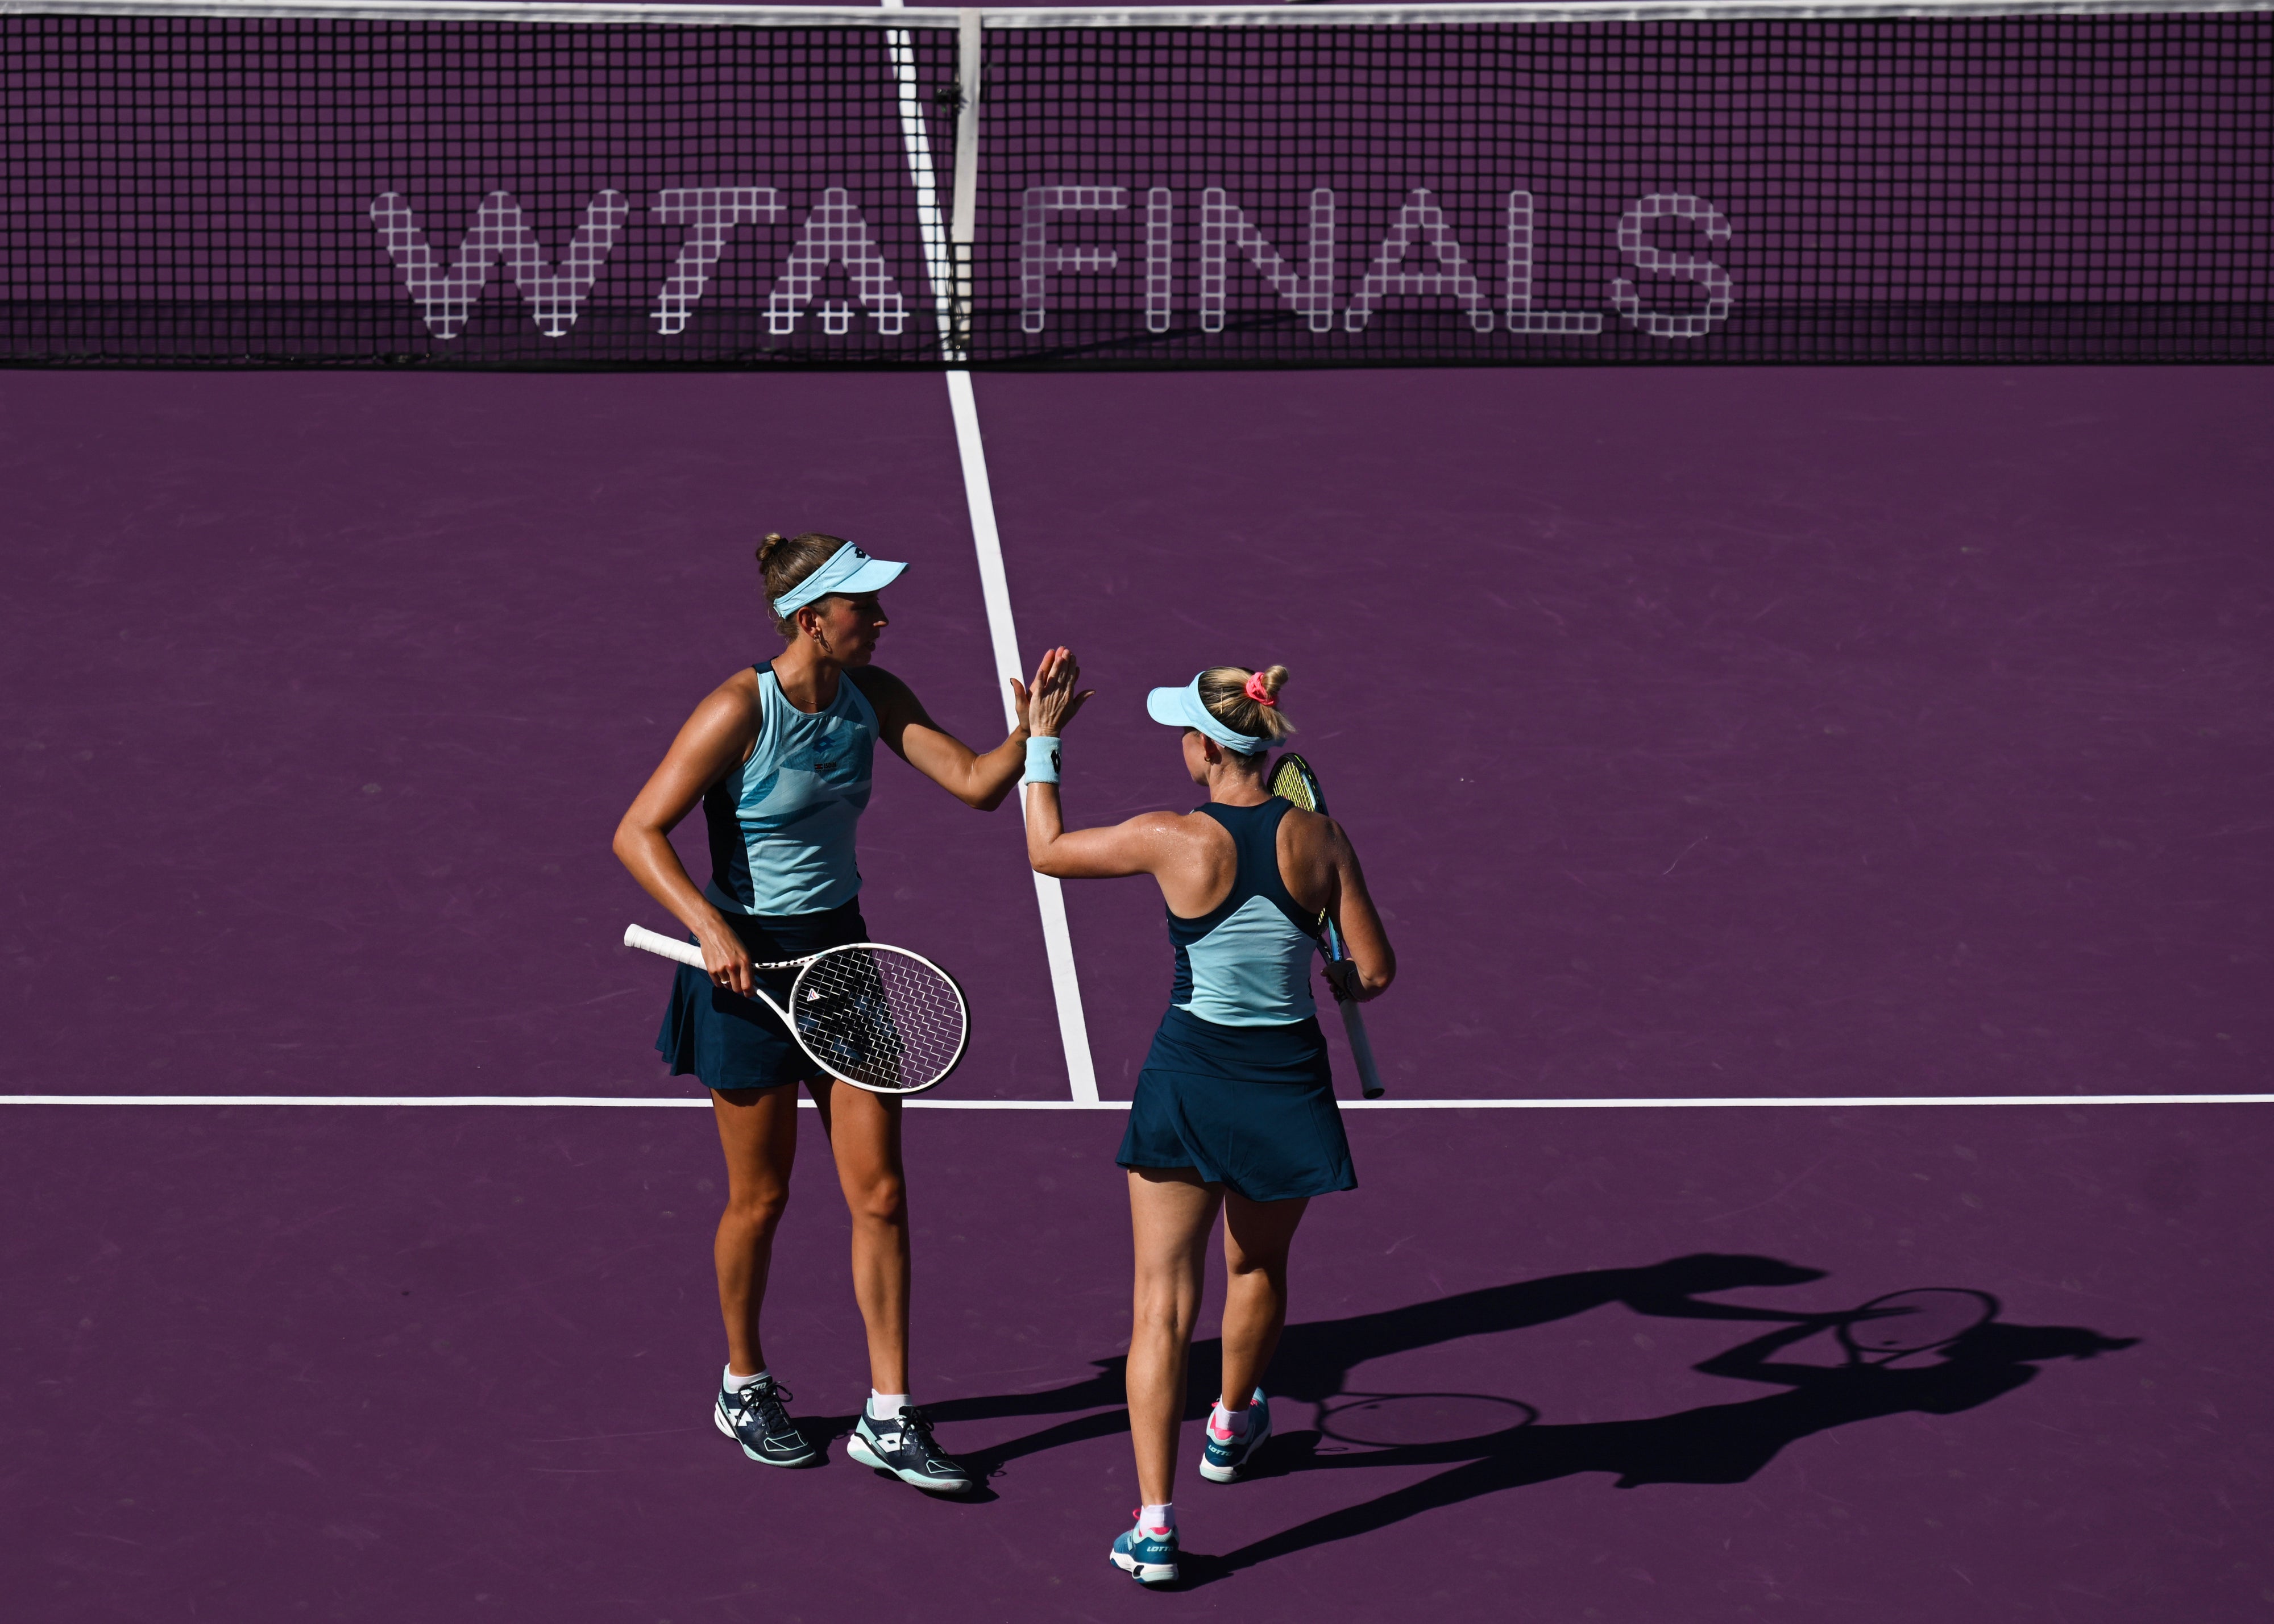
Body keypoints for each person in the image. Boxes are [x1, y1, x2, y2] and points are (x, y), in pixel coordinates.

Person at [613, 530, 1074, 1495]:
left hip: (845, 962)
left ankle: (891, 1415)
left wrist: (1037, 735)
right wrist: (707, 924)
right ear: (811, 619)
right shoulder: (738, 708)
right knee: (762, 1197)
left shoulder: (878, 696)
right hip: (741, 967)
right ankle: (744, 1384)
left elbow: (979, 786)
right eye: (865, 606)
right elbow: (637, 830)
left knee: (882, 1194)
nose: (883, 619)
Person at [1019, 661, 1396, 1585]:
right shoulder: (1323, 838)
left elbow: (1048, 850)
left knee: (1160, 1304)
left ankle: (1154, 1526)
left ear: (1204, 748)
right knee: (1257, 1265)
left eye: (1181, 732)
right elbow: (1375, 971)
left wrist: (1041, 741)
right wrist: (1341, 977)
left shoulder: (1169, 837)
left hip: (1189, 1081)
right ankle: (1230, 1424)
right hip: (1286, 1086)